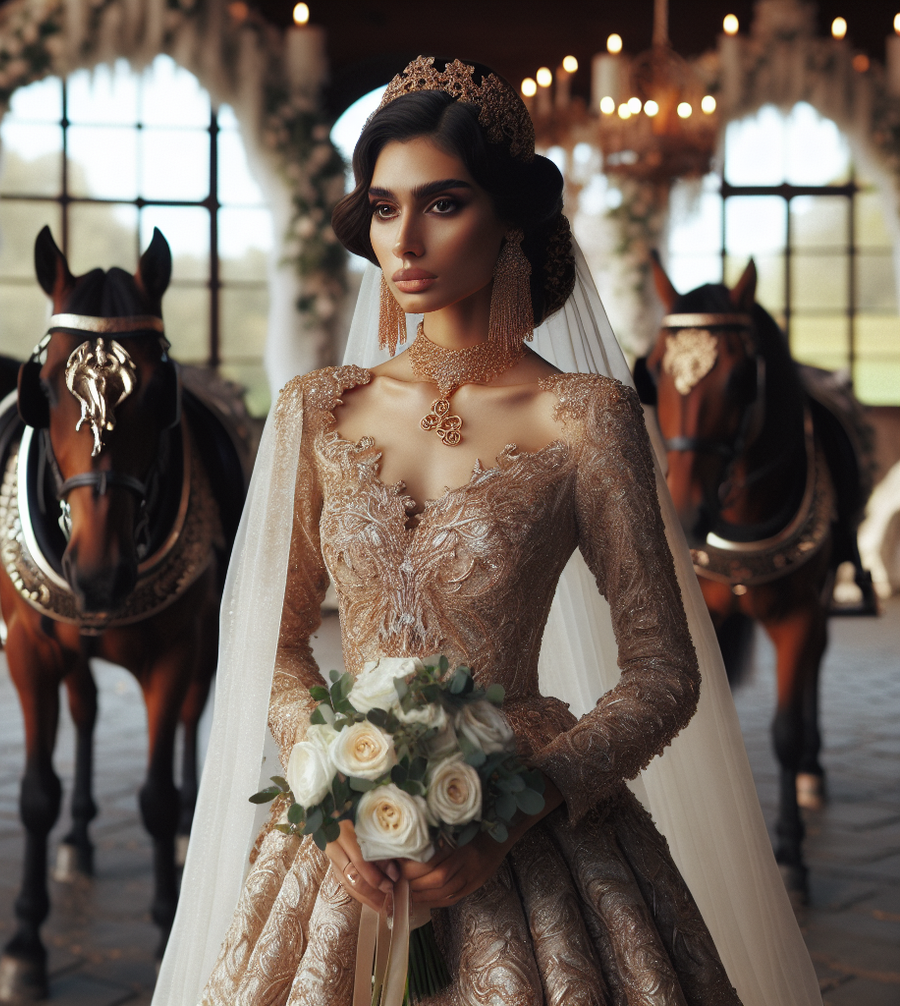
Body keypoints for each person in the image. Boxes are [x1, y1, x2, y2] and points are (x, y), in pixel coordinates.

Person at [152, 57, 819, 1005]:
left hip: (527, 835)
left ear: (508, 218)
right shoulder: (317, 412)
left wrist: (525, 803)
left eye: (442, 203)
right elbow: (274, 638)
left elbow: (664, 668)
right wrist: (329, 782)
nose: (406, 241)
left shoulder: (587, 417)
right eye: (384, 209)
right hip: (341, 847)